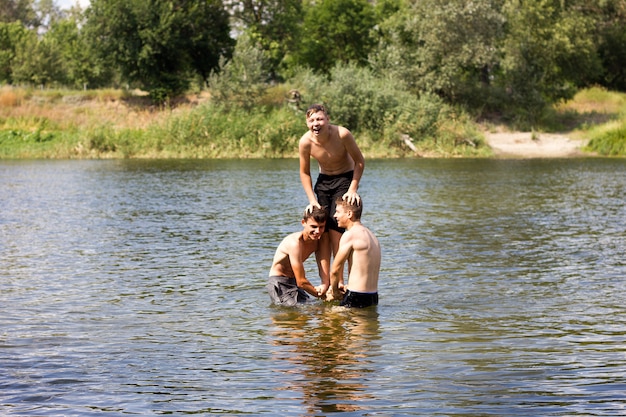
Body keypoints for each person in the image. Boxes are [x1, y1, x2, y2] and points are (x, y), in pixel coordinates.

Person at [299, 104, 365, 279]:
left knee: (337, 231)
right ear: (307, 123)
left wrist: (353, 189)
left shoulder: (342, 134)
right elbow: (304, 172)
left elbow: (359, 161)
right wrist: (312, 200)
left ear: (327, 119)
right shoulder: (305, 142)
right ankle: (326, 281)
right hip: (324, 182)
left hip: (345, 179)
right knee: (323, 233)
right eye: (312, 120)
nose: (316, 123)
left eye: (320, 119)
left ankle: (341, 281)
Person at [267, 206, 331, 306]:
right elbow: (301, 281)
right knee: (299, 312)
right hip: (279, 282)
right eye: (313, 226)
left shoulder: (317, 242)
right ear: (303, 223)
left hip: (294, 282)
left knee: (313, 308)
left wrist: (325, 285)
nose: (318, 231)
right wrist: (321, 295)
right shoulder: (295, 243)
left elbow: (323, 267)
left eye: (321, 227)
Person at [328, 198, 381, 308]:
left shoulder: (350, 235)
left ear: (349, 214)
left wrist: (335, 292)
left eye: (338, 212)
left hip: (356, 297)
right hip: (373, 296)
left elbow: (335, 270)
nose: (334, 216)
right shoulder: (372, 236)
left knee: (328, 319)